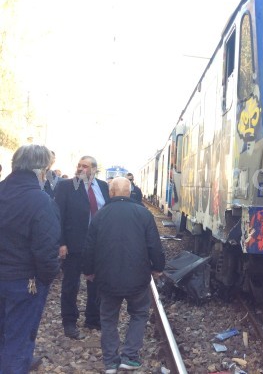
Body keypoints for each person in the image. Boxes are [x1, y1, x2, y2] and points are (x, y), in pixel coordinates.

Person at [83, 177, 164, 373]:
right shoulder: (143, 214)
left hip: (107, 279)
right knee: (138, 314)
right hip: (137, 278)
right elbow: (154, 244)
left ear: (111, 193)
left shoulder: (100, 215)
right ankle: (130, 356)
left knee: (108, 319)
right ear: (129, 192)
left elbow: (89, 247)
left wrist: (88, 271)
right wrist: (158, 267)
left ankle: (111, 361)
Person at [0, 145, 61, 372]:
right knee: (19, 337)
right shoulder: (40, 200)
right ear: (42, 170)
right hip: (24, 282)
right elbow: (46, 250)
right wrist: (46, 278)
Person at [54, 155, 110, 339]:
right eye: (79, 165)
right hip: (73, 244)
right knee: (71, 284)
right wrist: (61, 242)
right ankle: (69, 321)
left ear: (94, 169)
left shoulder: (103, 187)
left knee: (95, 282)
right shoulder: (66, 187)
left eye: (85, 166)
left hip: (98, 244)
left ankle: (93, 318)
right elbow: (58, 216)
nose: (80, 168)